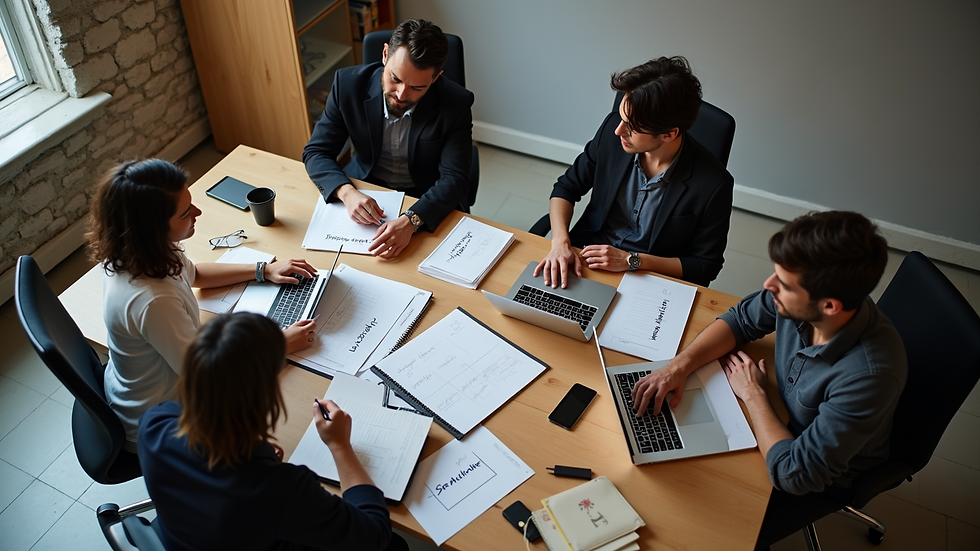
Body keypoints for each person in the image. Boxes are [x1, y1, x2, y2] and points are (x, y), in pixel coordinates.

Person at [630, 211, 907, 549]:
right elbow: (741, 320)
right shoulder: (810, 299)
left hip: (814, 472)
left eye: (784, 285)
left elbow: (795, 473)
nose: (768, 286)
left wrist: (754, 395)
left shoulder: (868, 377)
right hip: (779, 419)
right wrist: (678, 366)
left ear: (829, 306)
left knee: (691, 523)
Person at [86, 159, 318, 451]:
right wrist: (279, 345)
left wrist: (263, 270)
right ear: (152, 229)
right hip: (160, 422)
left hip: (148, 384)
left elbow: (194, 274)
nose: (198, 212)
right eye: (185, 213)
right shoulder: (153, 301)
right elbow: (208, 379)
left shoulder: (136, 248)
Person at [139, 312, 407, 551]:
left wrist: (257, 447)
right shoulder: (277, 488)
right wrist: (340, 445)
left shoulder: (154, 422)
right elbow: (374, 536)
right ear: (264, 395)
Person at [535, 56, 733, 288]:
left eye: (632, 127)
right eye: (622, 117)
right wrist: (560, 242)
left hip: (648, 276)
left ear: (669, 134)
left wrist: (632, 260)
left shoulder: (714, 184)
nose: (618, 130)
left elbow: (706, 265)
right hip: (584, 258)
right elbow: (566, 188)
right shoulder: (611, 132)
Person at [303, 19, 473, 259]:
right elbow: (316, 152)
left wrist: (411, 220)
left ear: (436, 78)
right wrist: (347, 192)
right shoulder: (347, 85)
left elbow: (455, 178)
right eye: (395, 79)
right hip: (364, 187)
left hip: (425, 197)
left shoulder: (456, 103)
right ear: (385, 54)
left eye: (417, 88)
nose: (402, 95)